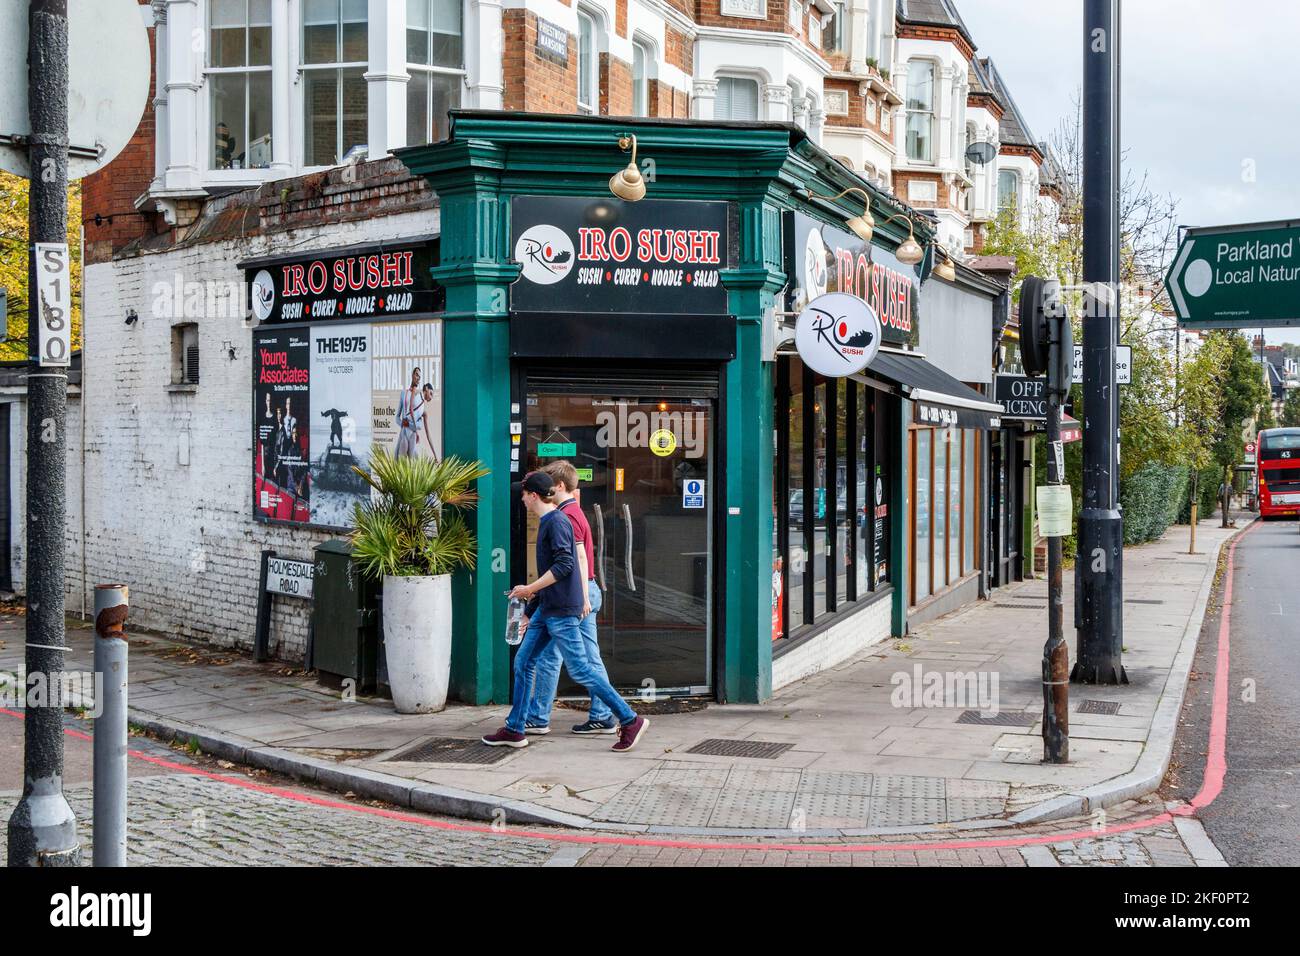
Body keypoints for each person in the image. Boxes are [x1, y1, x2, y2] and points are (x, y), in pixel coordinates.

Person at [482, 471, 648, 752]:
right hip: (548, 610)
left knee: (581, 669)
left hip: (561, 612)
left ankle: (630, 720)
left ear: (533, 495)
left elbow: (564, 565)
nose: (521, 499)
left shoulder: (557, 522)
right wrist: (531, 607)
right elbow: (555, 570)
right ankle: (515, 729)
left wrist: (529, 588)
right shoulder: (550, 520)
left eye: (523, 494)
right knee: (524, 663)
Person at [523, 460, 616, 734]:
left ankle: (540, 717)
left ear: (560, 486)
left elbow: (578, 559)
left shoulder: (566, 517)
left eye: (550, 486)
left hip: (575, 597)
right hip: (581, 594)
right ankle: (601, 715)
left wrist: (583, 598)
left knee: (559, 660)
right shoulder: (572, 512)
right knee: (580, 659)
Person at [394, 367, 424, 458]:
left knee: (413, 463)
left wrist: (409, 424)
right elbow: (397, 417)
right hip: (403, 433)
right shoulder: (404, 393)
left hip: (413, 434)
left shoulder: (420, 397)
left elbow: (420, 424)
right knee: (397, 458)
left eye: (420, 376)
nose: (418, 378)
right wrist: (402, 423)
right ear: (412, 375)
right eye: (416, 375)